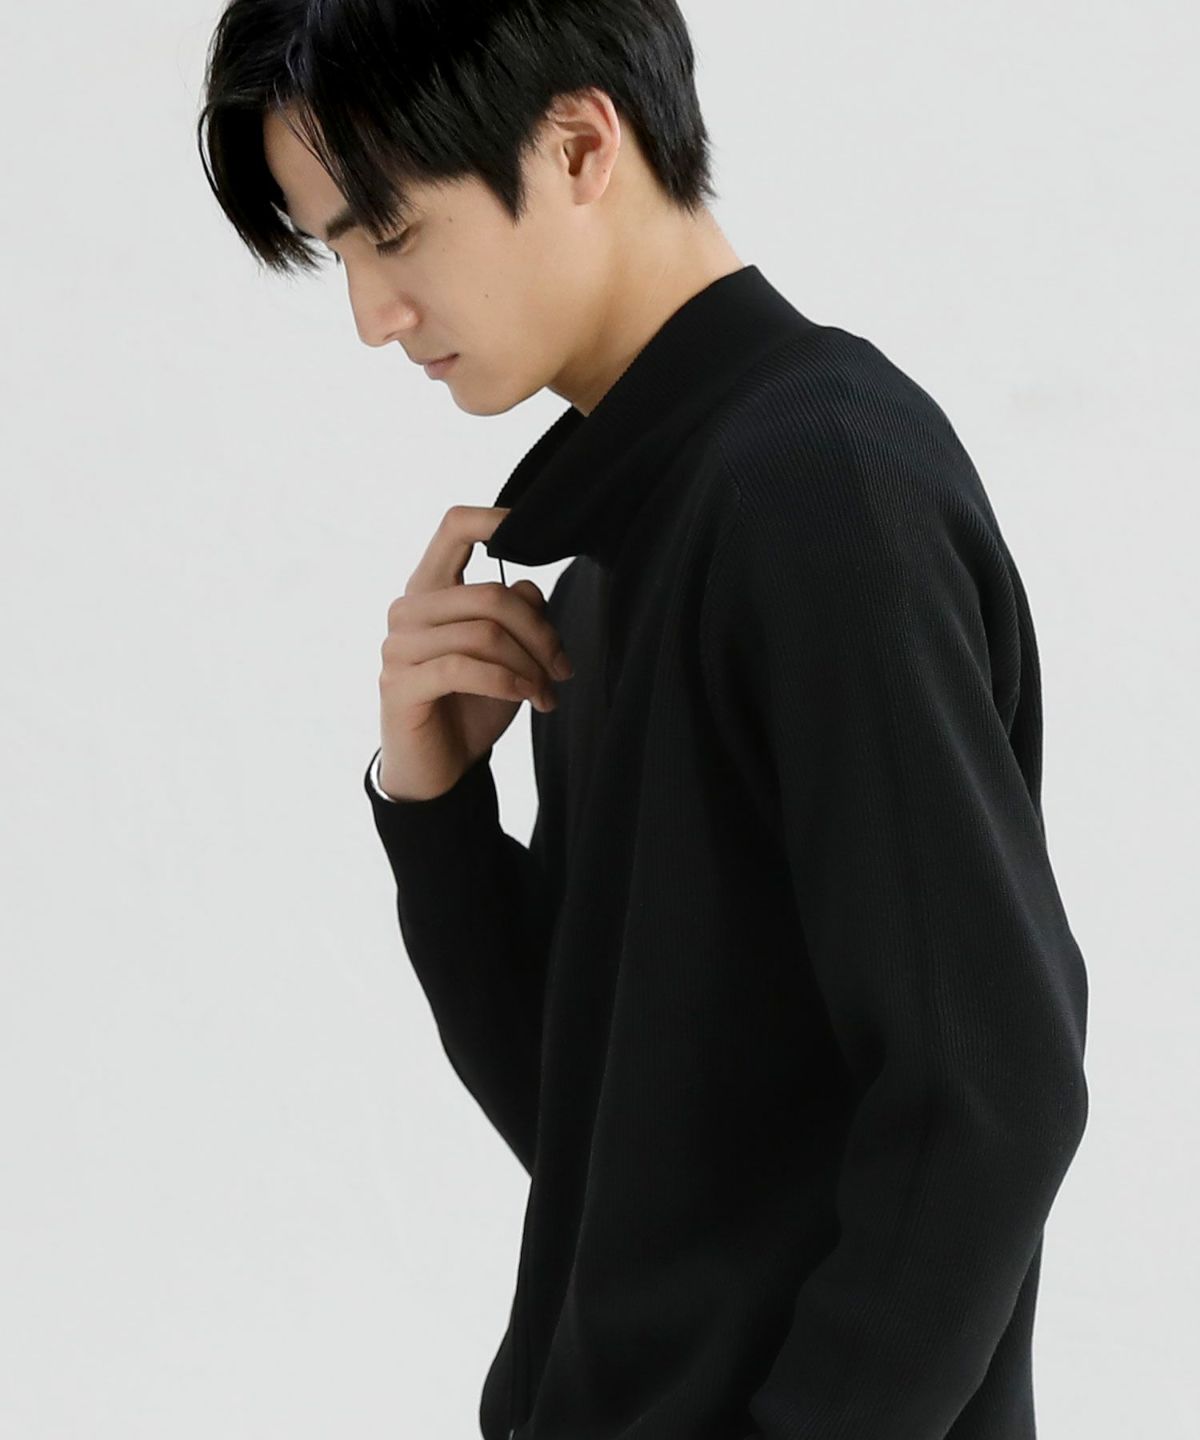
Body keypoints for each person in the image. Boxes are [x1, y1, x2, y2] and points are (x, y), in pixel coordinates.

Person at [196, 4, 1090, 1438]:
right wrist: (438, 814)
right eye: (339, 255)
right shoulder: (631, 536)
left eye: (392, 234)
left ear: (577, 144)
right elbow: (604, 1132)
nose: (371, 316)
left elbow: (991, 1098)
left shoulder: (819, 488)